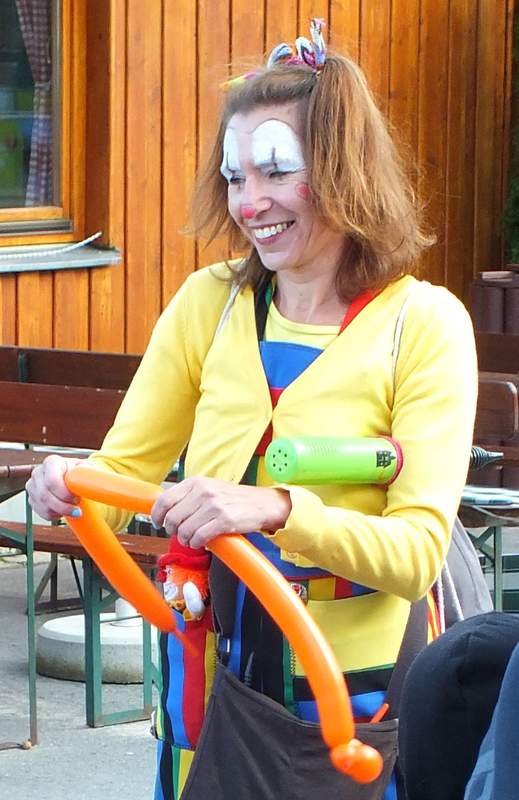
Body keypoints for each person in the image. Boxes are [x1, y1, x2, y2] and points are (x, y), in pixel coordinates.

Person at [26, 19, 478, 800]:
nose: (249, 202)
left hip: (356, 699)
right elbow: (120, 476)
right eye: (235, 178)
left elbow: (413, 556)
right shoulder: (207, 303)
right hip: (207, 671)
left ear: (342, 169)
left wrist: (277, 508)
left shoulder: (424, 324)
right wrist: (67, 485)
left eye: (274, 171)